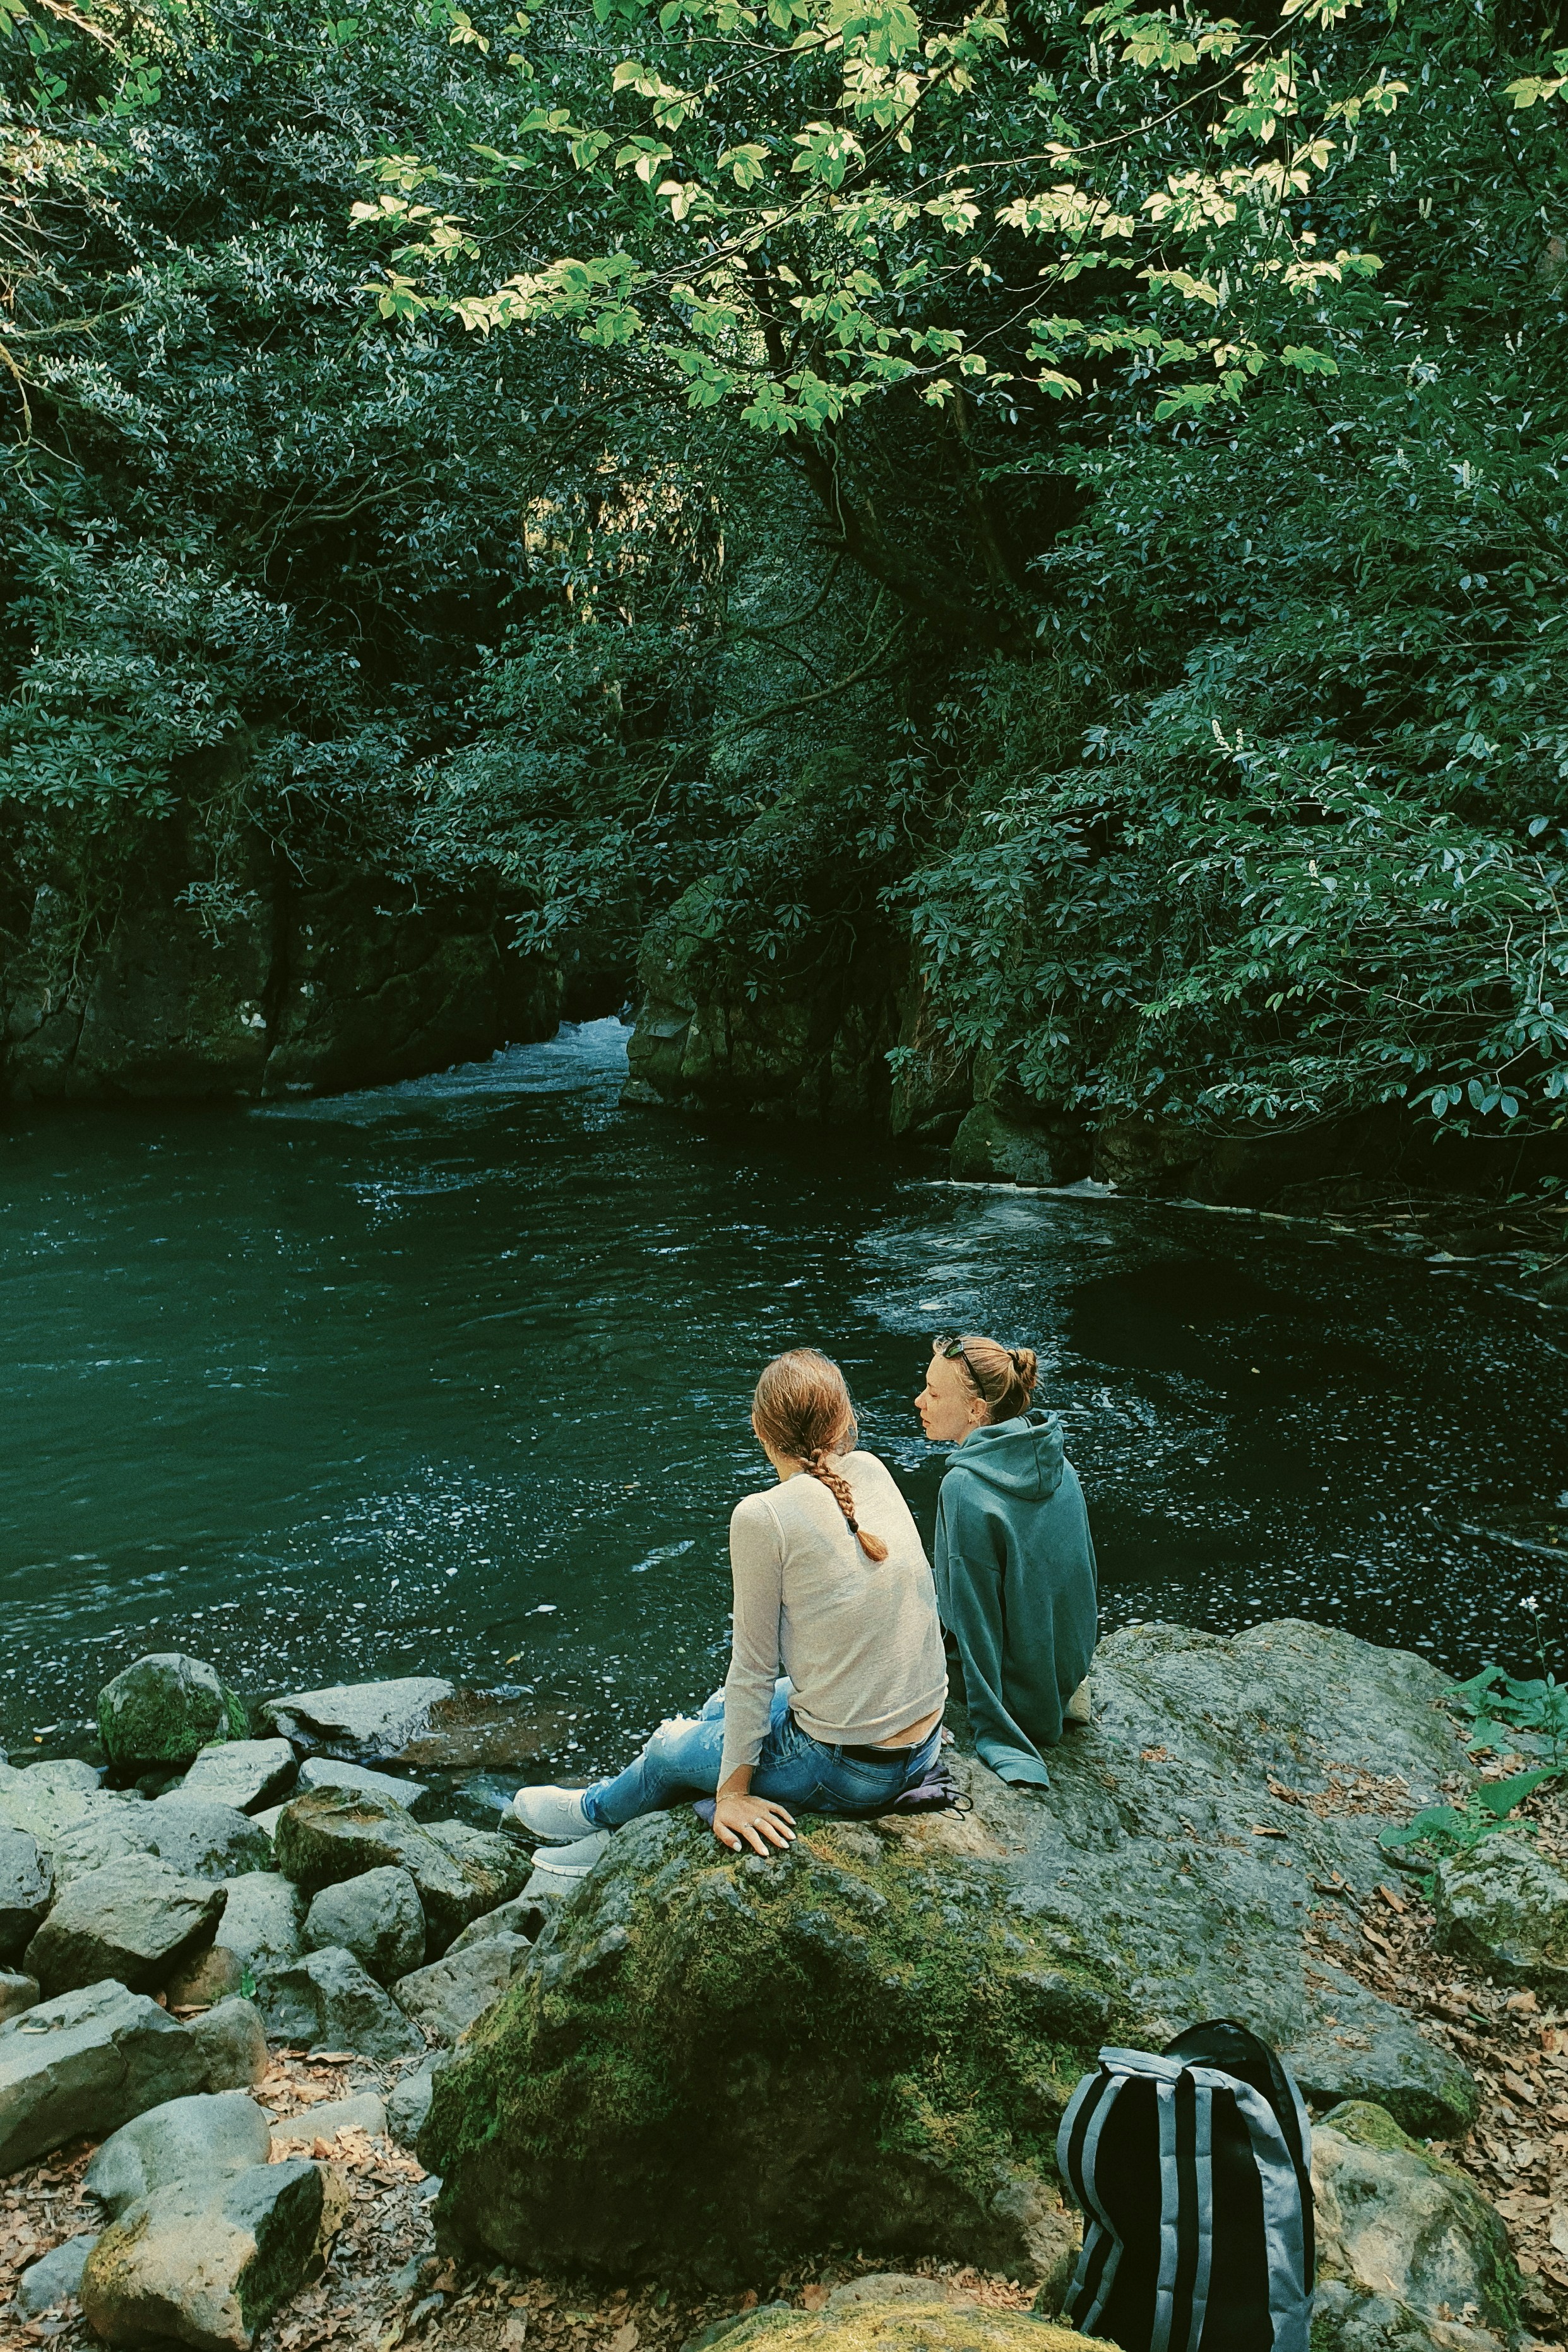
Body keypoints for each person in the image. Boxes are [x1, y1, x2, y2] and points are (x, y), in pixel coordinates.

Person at [513, 1347, 948, 1858]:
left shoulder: (761, 1517)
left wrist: (733, 1796)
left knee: (667, 1749)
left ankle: (597, 1820)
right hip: (922, 1747)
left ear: (760, 1431)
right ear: (845, 1420)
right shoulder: (871, 1469)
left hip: (849, 1772)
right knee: (718, 1711)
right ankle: (619, 1827)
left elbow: (753, 1669)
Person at [917, 1334, 1096, 1790]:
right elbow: (1081, 1585)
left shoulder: (963, 1488)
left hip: (1017, 1703)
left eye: (934, 1394)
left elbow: (973, 1620)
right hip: (1061, 1679)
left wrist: (1000, 1732)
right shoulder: (1058, 1463)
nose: (920, 1401)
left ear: (977, 1411)